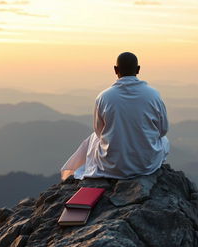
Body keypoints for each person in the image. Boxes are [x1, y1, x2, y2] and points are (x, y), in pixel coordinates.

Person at [60, 52, 170, 181]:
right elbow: (163, 130)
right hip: (145, 165)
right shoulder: (153, 95)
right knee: (165, 141)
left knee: (93, 138)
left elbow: (99, 132)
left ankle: (71, 172)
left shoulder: (104, 96)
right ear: (138, 69)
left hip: (112, 166)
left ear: (115, 70)